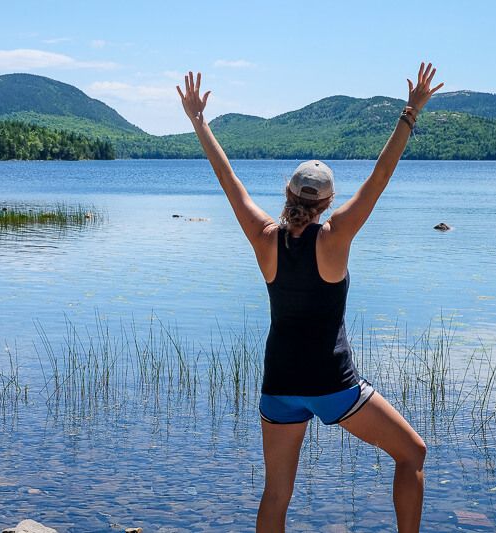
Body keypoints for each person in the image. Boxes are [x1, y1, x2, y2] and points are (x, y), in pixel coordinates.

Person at [177, 63, 443, 533]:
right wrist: (410, 113)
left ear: (288, 194)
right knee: (413, 453)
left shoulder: (265, 237)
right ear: (327, 202)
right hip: (333, 385)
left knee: (276, 493)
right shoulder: (335, 236)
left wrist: (199, 121)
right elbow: (379, 179)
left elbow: (228, 182)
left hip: (278, 384)